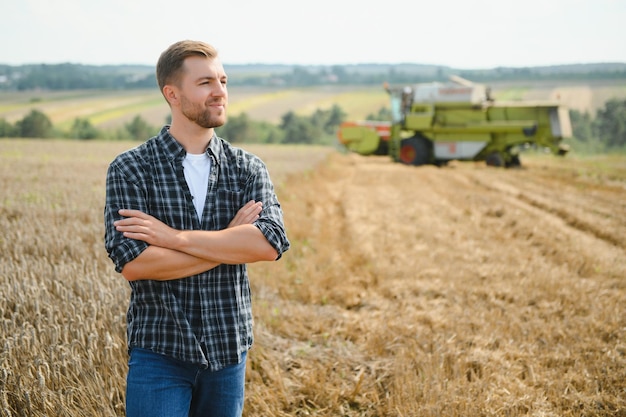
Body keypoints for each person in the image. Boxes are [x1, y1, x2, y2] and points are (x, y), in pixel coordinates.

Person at [104, 40, 290, 417]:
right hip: (160, 349)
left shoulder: (248, 168)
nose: (220, 91)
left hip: (228, 353)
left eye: (223, 80)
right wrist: (228, 243)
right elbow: (136, 264)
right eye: (205, 82)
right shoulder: (130, 169)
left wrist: (173, 239)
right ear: (172, 94)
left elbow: (268, 244)